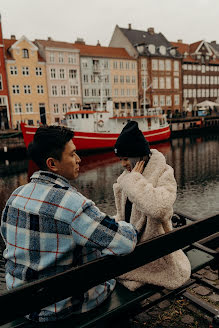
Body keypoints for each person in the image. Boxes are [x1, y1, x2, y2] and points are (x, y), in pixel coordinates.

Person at [0, 125, 138, 322]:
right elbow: (125, 242)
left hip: (24, 306)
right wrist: (128, 227)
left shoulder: (15, 197)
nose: (79, 159)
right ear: (53, 164)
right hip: (62, 308)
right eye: (73, 154)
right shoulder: (72, 205)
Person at [113, 121, 191, 291]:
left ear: (139, 155)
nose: (123, 164)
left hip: (155, 251)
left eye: (126, 158)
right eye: (120, 159)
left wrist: (135, 182)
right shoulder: (128, 177)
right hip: (135, 244)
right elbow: (123, 214)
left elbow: (159, 209)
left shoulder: (163, 173)